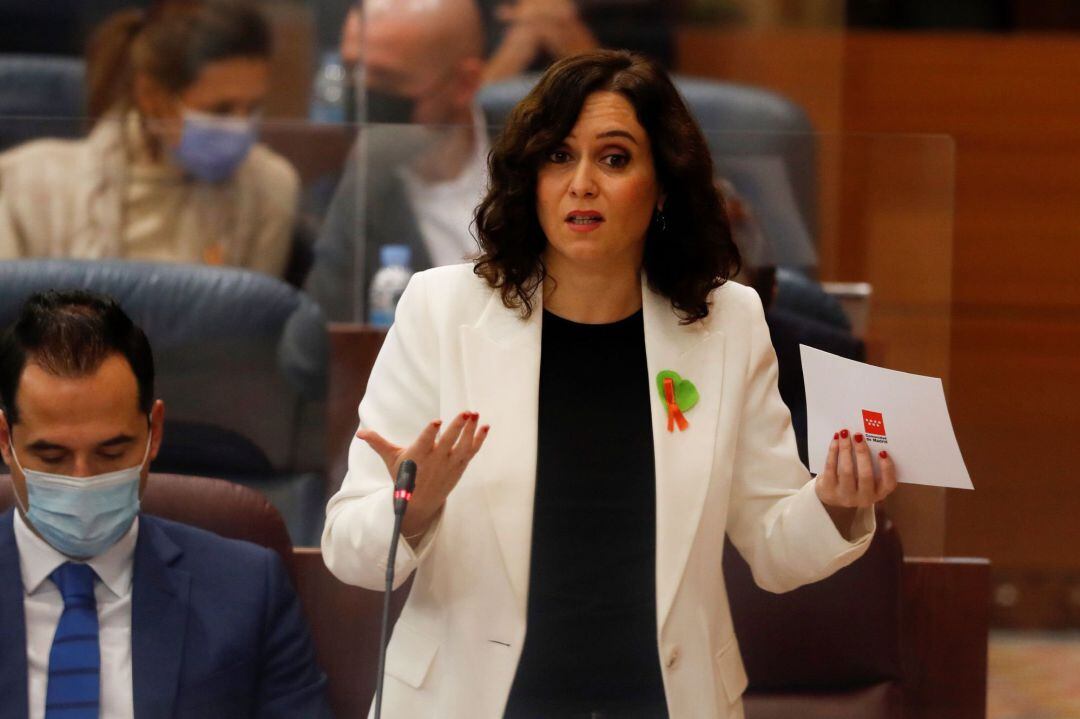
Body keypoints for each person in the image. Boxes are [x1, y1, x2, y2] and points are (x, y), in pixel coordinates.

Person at [322, 50, 898, 718]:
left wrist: (834, 501)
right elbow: (349, 549)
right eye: (559, 157)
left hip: (666, 700)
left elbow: (772, 544)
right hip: (473, 699)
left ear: (662, 185)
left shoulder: (727, 323)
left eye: (615, 158)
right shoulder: (441, 310)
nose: (582, 183)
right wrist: (412, 509)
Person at [0, 290, 331, 719]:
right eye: (52, 457)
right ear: (5, 440)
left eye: (112, 452)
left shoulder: (247, 593)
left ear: (154, 432)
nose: (82, 479)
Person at [0, 0, 299, 278]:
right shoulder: (25, 184)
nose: (240, 126)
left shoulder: (268, 188)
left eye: (253, 108)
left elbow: (251, 329)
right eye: (220, 110)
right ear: (152, 97)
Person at [305, 0, 490, 320]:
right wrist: (362, 179)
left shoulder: (537, 160)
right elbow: (310, 354)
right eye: (351, 71)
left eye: (386, 80)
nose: (362, 97)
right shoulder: (346, 184)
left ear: (464, 84)